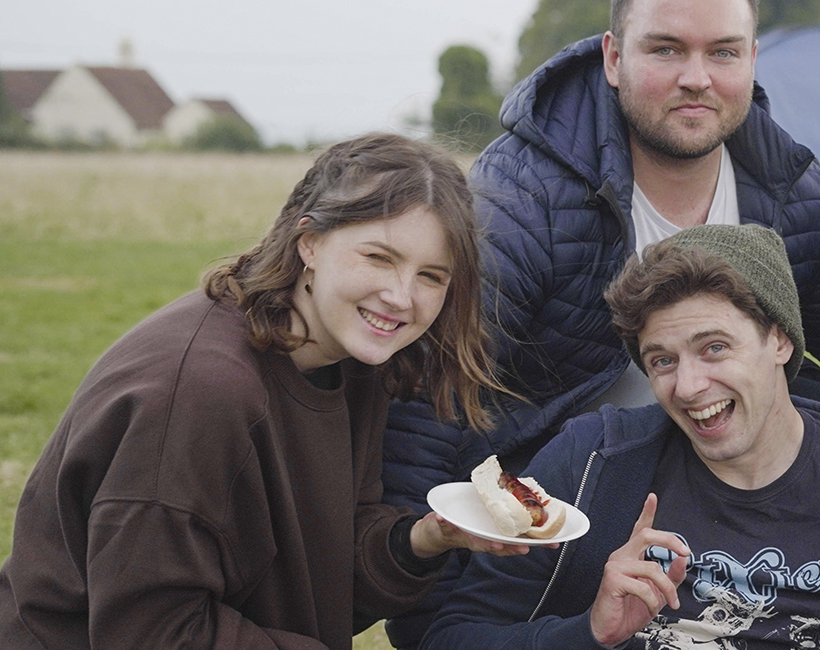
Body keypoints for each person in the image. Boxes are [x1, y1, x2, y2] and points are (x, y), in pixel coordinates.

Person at [379, 0, 820, 641]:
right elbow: (437, 391)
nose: (696, 77)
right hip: (562, 515)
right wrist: (424, 597)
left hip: (733, 501)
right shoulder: (527, 197)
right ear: (613, 57)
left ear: (753, 61)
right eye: (665, 49)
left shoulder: (799, 198)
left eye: (723, 52)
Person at [0, 134, 528, 649]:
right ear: (310, 242)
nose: (400, 297)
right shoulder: (200, 393)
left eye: (432, 276)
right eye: (378, 257)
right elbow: (150, 631)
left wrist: (426, 538)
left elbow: (319, 584)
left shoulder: (353, 361)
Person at [420, 224, 820, 650]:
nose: (688, 386)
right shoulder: (593, 463)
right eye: (662, 361)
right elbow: (452, 637)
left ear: (780, 340)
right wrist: (589, 632)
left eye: (715, 348)